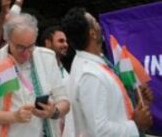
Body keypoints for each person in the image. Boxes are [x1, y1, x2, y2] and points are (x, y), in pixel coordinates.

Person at [61, 7, 152, 136]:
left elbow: (112, 109)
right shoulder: (90, 75)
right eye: (95, 21)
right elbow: (100, 131)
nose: (99, 24)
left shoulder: (95, 63)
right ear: (92, 33)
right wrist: (135, 124)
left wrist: (136, 100)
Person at [0, 13, 70, 137]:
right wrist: (13, 116)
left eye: (31, 46)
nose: (26, 53)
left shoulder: (46, 58)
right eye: (20, 47)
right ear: (8, 40)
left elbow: (64, 102)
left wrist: (53, 112)